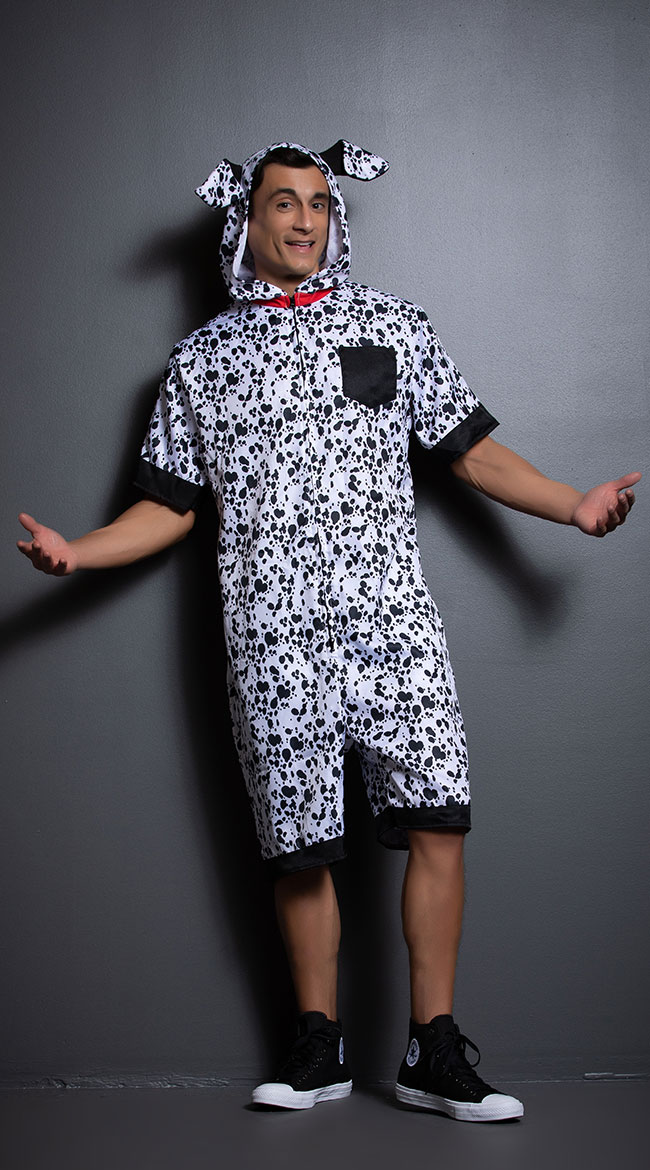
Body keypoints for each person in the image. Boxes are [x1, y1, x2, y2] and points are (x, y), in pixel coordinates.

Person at [17, 140, 640, 1122]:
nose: (304, 219)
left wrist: (573, 505)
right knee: (299, 842)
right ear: (248, 219)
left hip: (392, 622)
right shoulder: (202, 362)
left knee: (438, 818)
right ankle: (318, 1049)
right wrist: (77, 552)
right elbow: (169, 507)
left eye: (318, 202)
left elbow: (472, 455)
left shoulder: (393, 325)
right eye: (283, 202)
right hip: (273, 639)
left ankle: (433, 1051)